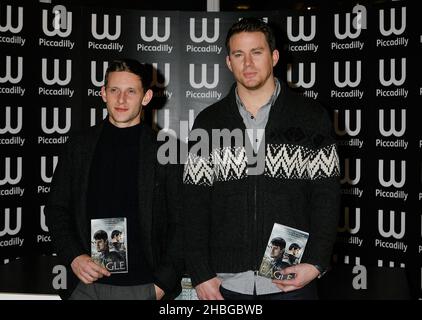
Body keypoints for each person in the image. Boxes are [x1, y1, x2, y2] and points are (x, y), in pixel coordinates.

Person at [182, 17, 340, 300]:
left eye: (257, 52)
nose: (248, 63)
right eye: (239, 55)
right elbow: (193, 204)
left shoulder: (311, 117)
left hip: (293, 282)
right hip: (224, 284)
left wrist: (316, 263)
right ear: (229, 62)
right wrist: (200, 272)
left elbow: (326, 197)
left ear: (274, 57)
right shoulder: (208, 122)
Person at [45, 58, 183, 300]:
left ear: (146, 97)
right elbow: (57, 210)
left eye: (131, 91)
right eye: (114, 90)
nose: (121, 99)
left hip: (143, 287)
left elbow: (183, 224)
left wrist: (162, 284)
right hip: (84, 285)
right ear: (103, 94)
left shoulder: (167, 152)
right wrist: (74, 257)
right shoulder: (78, 146)